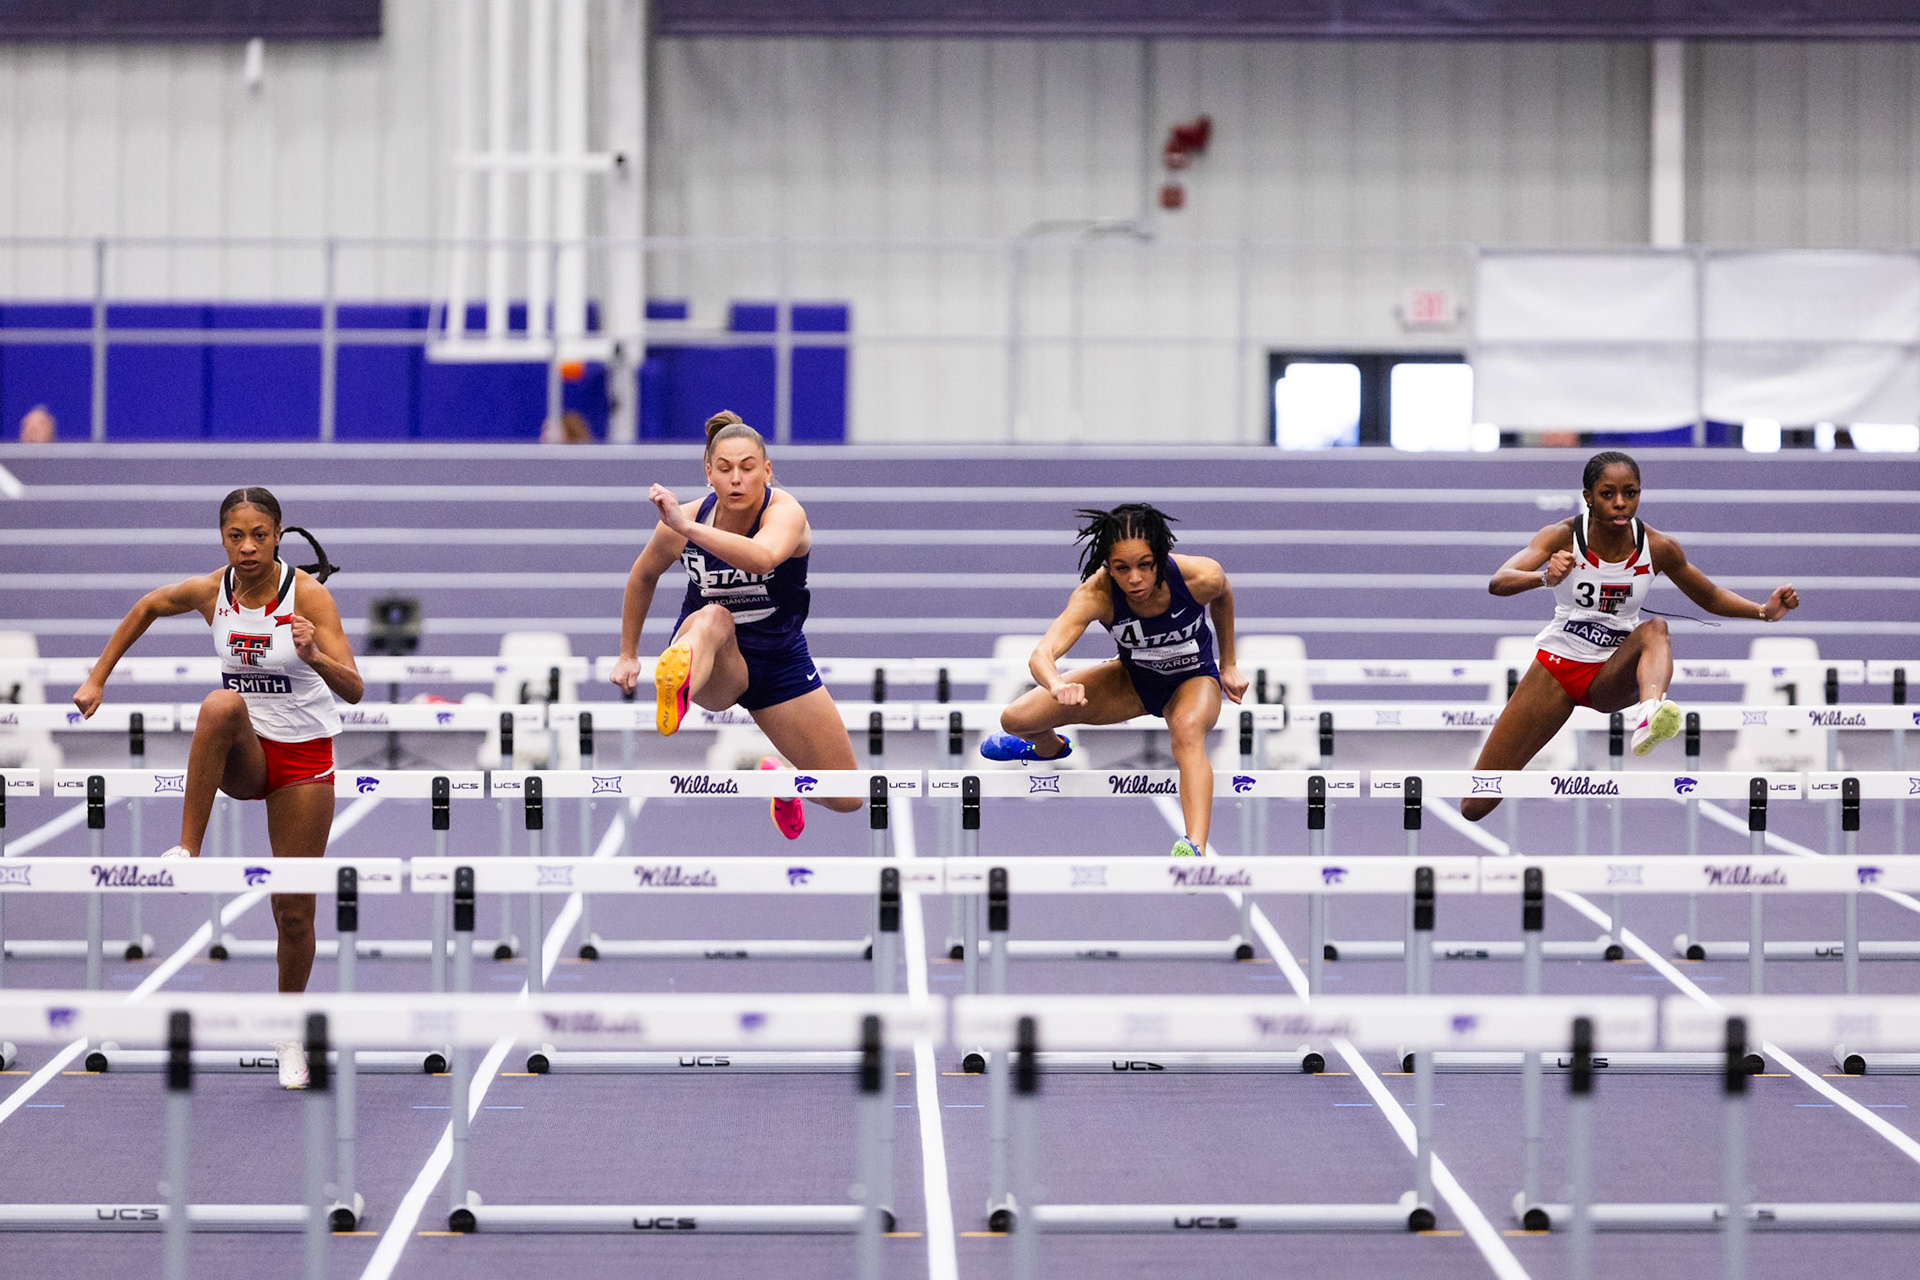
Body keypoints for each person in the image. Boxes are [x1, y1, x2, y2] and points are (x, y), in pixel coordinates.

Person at [73, 487, 360, 1087]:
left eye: (260, 535)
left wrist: (312, 655)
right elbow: (148, 606)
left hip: (304, 763)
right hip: (248, 754)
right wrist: (97, 678)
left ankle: (288, 1033)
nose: (248, 546)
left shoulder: (309, 597)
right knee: (219, 704)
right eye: (236, 536)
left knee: (294, 911)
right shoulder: (212, 591)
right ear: (222, 538)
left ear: (279, 535)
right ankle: (188, 851)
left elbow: (354, 688)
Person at [1462, 450, 1801, 821]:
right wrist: (1544, 577)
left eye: (1631, 492)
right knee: (1477, 803)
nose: (1621, 503)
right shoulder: (1560, 536)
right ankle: (1645, 712)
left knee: (1655, 629)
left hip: (1612, 670)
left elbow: (1710, 596)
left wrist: (1764, 612)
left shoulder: (1657, 547)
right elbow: (1499, 581)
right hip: (1557, 669)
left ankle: (1650, 713)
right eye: (1608, 494)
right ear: (1588, 496)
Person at [609, 411, 860, 837]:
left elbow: (762, 558)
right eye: (724, 469)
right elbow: (642, 576)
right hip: (715, 657)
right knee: (713, 616)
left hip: (778, 660)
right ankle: (677, 680)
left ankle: (782, 781)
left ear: (767, 471)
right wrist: (628, 654)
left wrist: (686, 528)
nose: (736, 479)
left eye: (747, 468)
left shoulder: (785, 513)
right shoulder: (682, 522)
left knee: (848, 795)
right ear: (708, 473)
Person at [980, 504, 1248, 857]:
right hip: (1133, 681)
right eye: (1122, 568)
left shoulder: (1201, 576)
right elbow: (1041, 655)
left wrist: (1228, 663)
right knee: (1014, 719)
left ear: (1160, 556)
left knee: (1186, 731)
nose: (1134, 579)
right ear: (1107, 565)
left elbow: (1223, 595)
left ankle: (1194, 846)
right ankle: (1050, 748)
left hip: (1193, 679)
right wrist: (1057, 686)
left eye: (1145, 566)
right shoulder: (1097, 594)